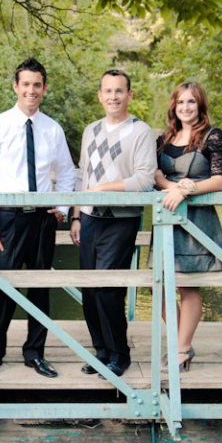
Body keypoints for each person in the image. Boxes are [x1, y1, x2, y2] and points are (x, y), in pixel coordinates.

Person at [0, 57, 76, 379]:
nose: (32, 90)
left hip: (43, 220)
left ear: (44, 89)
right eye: (26, 84)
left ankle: (35, 353)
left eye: (37, 85)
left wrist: (61, 210)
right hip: (9, 220)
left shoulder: (53, 129)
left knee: (40, 287)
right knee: (3, 287)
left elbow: (68, 174)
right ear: (15, 87)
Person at [70, 70, 157, 378]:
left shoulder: (141, 131)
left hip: (121, 220)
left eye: (119, 91)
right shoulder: (90, 130)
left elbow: (145, 180)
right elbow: (82, 174)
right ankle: (101, 351)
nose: (113, 96)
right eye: (108, 91)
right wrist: (76, 214)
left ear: (129, 95)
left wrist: (102, 189)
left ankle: (120, 353)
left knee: (108, 288)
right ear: (100, 95)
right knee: (90, 289)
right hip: (89, 218)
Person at [153, 81, 222, 372]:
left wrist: (187, 189)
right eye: (180, 102)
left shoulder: (213, 136)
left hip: (196, 220)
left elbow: (219, 181)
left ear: (200, 106)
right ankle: (179, 344)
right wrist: (172, 188)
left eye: (191, 102)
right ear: (174, 105)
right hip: (167, 217)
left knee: (187, 285)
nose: (185, 107)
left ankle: (182, 349)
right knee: (159, 287)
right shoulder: (164, 138)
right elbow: (155, 175)